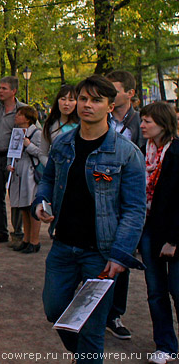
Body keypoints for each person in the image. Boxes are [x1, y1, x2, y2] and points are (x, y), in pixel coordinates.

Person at [33, 75, 146, 364]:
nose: (86, 105)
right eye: (83, 98)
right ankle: (83, 353)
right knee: (54, 309)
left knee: (93, 331)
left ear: (110, 106)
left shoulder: (126, 153)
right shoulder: (63, 144)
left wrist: (121, 254)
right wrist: (40, 203)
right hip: (63, 246)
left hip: (101, 253)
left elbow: (135, 209)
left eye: (96, 100)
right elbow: (47, 179)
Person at [136, 102, 179, 364]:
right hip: (148, 228)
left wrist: (174, 239)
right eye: (142, 120)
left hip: (173, 232)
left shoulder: (177, 153)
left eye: (148, 121)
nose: (142, 125)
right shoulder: (142, 152)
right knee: (155, 291)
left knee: (177, 290)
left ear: (163, 124)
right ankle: (165, 344)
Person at [104, 69, 144, 340]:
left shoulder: (140, 124)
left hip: (126, 200)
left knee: (120, 256)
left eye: (114, 89)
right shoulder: (99, 118)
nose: (109, 94)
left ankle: (114, 314)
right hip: (100, 195)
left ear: (129, 94)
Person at [0, 76, 28, 244]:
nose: (1, 91)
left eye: (4, 89)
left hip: (15, 160)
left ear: (13, 91)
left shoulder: (23, 110)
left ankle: (18, 233)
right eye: (0, 88)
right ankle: (0, 231)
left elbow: (32, 132)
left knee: (15, 196)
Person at [6, 106, 43, 253]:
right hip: (18, 173)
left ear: (27, 118)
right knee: (23, 208)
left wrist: (28, 145)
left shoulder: (37, 133)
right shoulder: (17, 132)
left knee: (32, 208)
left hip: (30, 173)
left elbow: (41, 153)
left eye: (20, 114)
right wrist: (9, 164)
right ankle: (26, 239)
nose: (16, 116)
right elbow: (12, 150)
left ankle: (35, 240)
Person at [40, 84, 80, 165]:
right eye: (63, 99)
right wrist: (53, 169)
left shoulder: (83, 125)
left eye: (71, 100)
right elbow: (42, 154)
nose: (66, 103)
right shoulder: (50, 125)